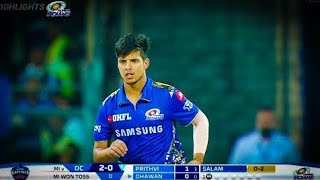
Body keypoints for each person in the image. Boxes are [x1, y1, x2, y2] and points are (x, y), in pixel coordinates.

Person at [93, 33, 209, 164]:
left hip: (169, 176)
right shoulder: (108, 105)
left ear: (146, 63)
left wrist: (198, 160)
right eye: (123, 61)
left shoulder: (168, 95)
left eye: (134, 61)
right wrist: (109, 152)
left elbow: (201, 121)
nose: (128, 67)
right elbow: (97, 154)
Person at [228, 108, 300, 164]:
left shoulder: (286, 144)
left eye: (268, 121)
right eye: (262, 120)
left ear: (274, 122)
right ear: (257, 122)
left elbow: (294, 169)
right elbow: (233, 168)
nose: (265, 123)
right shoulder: (243, 144)